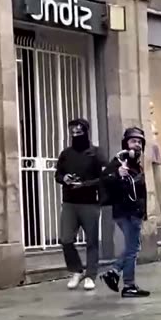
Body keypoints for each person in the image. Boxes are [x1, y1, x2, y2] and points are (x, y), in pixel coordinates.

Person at [55, 118, 107, 291]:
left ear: (86, 132)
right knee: (66, 239)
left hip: (90, 203)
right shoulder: (66, 154)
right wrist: (65, 178)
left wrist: (84, 184)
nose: (76, 135)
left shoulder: (96, 153)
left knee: (91, 241)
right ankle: (76, 270)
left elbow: (105, 177)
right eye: (73, 132)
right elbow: (58, 174)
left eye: (79, 132)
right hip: (69, 202)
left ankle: (91, 275)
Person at [100, 127, 150, 298]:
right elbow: (105, 179)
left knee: (132, 247)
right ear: (126, 143)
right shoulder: (119, 160)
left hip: (134, 212)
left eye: (139, 142)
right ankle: (127, 284)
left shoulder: (137, 165)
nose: (136, 145)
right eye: (133, 141)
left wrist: (143, 213)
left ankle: (118, 276)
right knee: (133, 248)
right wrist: (117, 174)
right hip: (126, 211)